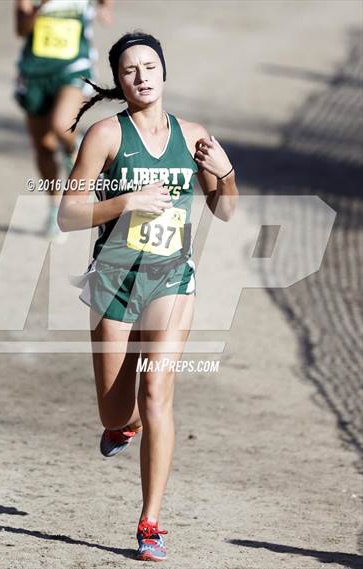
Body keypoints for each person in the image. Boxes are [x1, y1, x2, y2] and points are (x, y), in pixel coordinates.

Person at [58, 32, 238, 561]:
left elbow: (225, 211)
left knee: (158, 390)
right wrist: (126, 201)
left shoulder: (195, 136)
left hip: (170, 278)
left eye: (149, 65)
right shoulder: (105, 135)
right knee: (117, 411)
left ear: (164, 72)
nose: (141, 75)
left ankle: (151, 522)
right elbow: (68, 214)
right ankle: (124, 424)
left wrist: (225, 172)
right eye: (130, 69)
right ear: (120, 80)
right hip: (115, 280)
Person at [14, 0, 113, 241]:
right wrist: (40, 8)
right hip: (35, 73)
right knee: (44, 147)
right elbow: (21, 29)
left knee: (62, 124)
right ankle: (54, 208)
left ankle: (74, 150)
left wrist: (105, 8)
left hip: (73, 66)